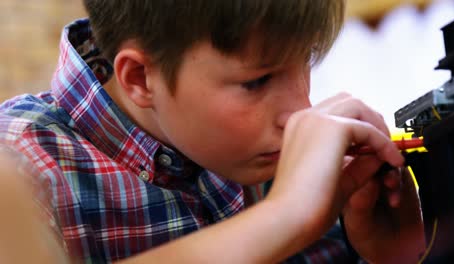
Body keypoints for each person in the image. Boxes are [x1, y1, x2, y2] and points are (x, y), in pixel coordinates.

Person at [0, 1, 425, 263]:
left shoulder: (262, 148)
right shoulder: (23, 167)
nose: (301, 110)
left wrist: (388, 254)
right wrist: (283, 216)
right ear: (141, 78)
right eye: (257, 82)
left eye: (306, 64)